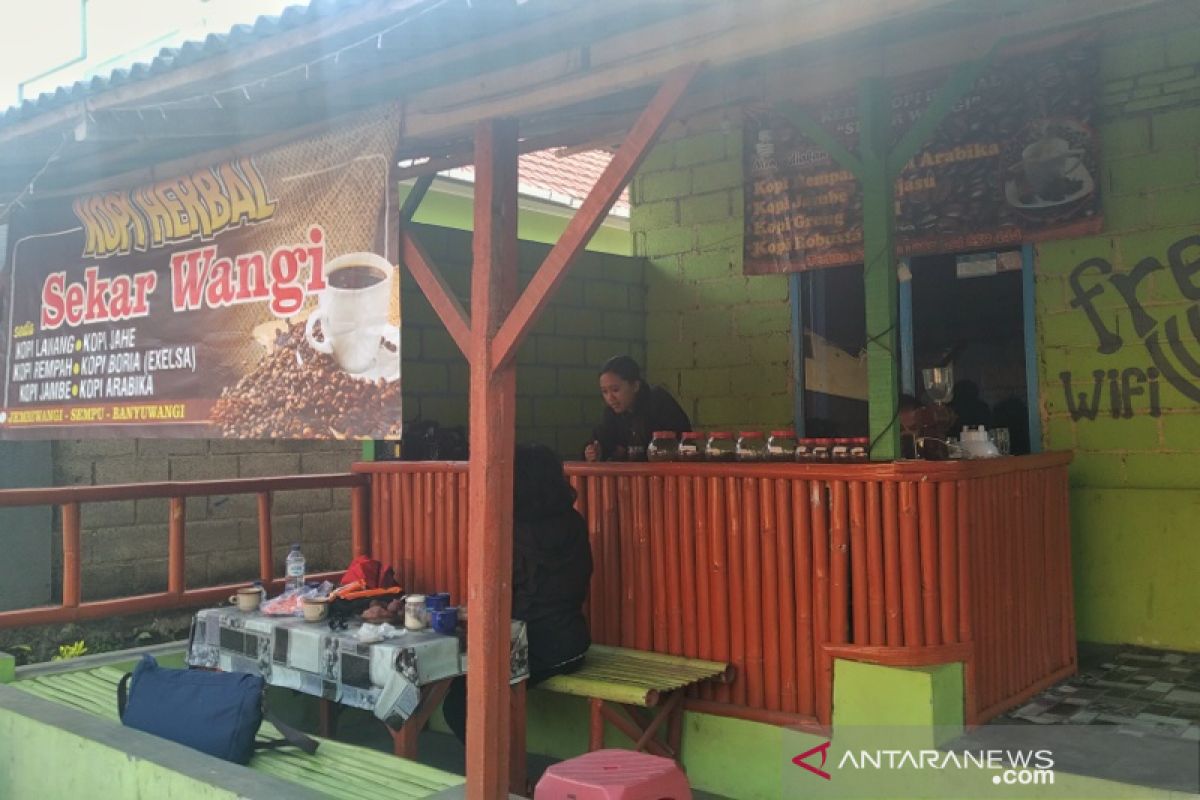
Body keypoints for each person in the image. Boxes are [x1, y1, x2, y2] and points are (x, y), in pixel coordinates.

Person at [442, 443, 593, 744]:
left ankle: (506, 781)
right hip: (571, 643)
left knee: (461, 700)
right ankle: (507, 777)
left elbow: (500, 597)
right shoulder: (573, 522)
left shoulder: (511, 531)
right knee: (473, 690)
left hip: (534, 646)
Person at [584, 355, 691, 461]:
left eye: (615, 390)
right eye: (605, 392)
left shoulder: (658, 402)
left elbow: (679, 445)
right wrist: (594, 451)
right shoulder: (611, 412)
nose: (610, 398)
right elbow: (602, 440)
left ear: (635, 386)